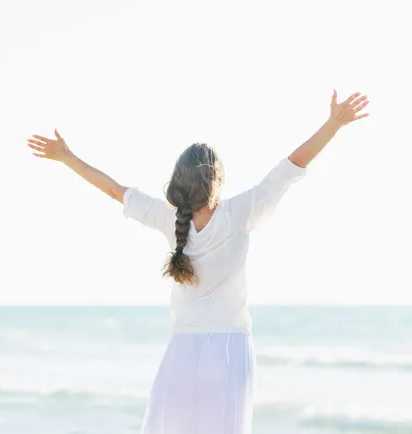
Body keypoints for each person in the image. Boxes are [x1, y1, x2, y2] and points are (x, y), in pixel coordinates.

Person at [26, 90, 369, 434]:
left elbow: (116, 190)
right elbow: (292, 165)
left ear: (179, 180)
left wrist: (67, 157)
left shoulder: (166, 217)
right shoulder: (240, 212)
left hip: (183, 350)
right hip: (230, 349)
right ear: (216, 180)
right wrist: (333, 124)